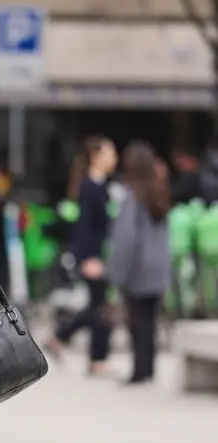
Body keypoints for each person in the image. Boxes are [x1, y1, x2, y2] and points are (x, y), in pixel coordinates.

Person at [48, 135, 118, 374]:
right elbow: (85, 227)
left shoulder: (99, 186)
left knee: (98, 306)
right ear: (96, 157)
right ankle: (95, 358)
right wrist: (88, 258)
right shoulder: (90, 187)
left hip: (98, 255)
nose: (114, 158)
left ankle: (62, 338)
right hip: (92, 257)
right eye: (110, 153)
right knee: (99, 307)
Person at [110, 141, 172, 385]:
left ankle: (139, 371)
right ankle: (149, 368)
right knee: (150, 320)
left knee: (137, 321)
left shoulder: (132, 197)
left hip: (138, 269)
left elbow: (126, 240)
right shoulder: (160, 193)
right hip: (158, 268)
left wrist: (117, 274)